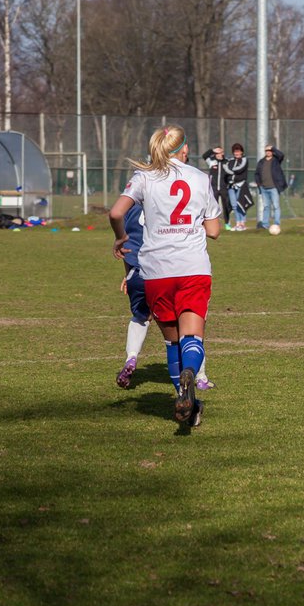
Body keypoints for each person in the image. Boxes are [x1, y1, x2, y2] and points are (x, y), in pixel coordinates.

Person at [109, 125, 221, 427]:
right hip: (193, 268)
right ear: (184, 149)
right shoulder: (200, 178)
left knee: (172, 344)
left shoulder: (143, 178)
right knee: (192, 338)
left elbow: (117, 213)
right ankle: (191, 378)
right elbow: (214, 231)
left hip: (156, 271)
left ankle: (186, 404)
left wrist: (120, 239)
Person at [115, 202, 214, 392]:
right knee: (190, 324)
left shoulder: (131, 207)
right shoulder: (166, 203)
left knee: (141, 316)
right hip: (167, 270)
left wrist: (128, 274)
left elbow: (125, 242)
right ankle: (200, 377)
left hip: (137, 271)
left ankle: (131, 358)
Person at [255, 144, 286, 230]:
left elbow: (281, 155)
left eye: (270, 150)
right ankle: (265, 225)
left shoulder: (276, 160)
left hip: (274, 188)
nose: (268, 152)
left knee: (276, 206)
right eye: (266, 150)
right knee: (266, 207)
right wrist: (259, 184)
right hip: (264, 188)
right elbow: (257, 174)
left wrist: (273, 148)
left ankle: (276, 224)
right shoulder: (261, 162)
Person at [202, 146, 233, 224]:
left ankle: (227, 223)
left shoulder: (227, 162)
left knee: (226, 206)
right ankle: (214, 223)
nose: (219, 154)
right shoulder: (211, 161)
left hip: (224, 188)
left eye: (221, 152)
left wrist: (229, 182)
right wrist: (212, 150)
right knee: (213, 206)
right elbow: (204, 156)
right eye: (217, 153)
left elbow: (230, 173)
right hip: (214, 188)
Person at [224, 143, 250, 231]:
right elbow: (225, 169)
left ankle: (242, 223)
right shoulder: (230, 161)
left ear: (241, 152)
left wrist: (230, 171)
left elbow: (240, 169)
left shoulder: (244, 160)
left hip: (241, 185)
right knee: (234, 205)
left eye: (238, 151)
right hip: (231, 186)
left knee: (240, 204)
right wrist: (230, 171)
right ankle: (238, 223)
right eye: (235, 151)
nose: (236, 153)